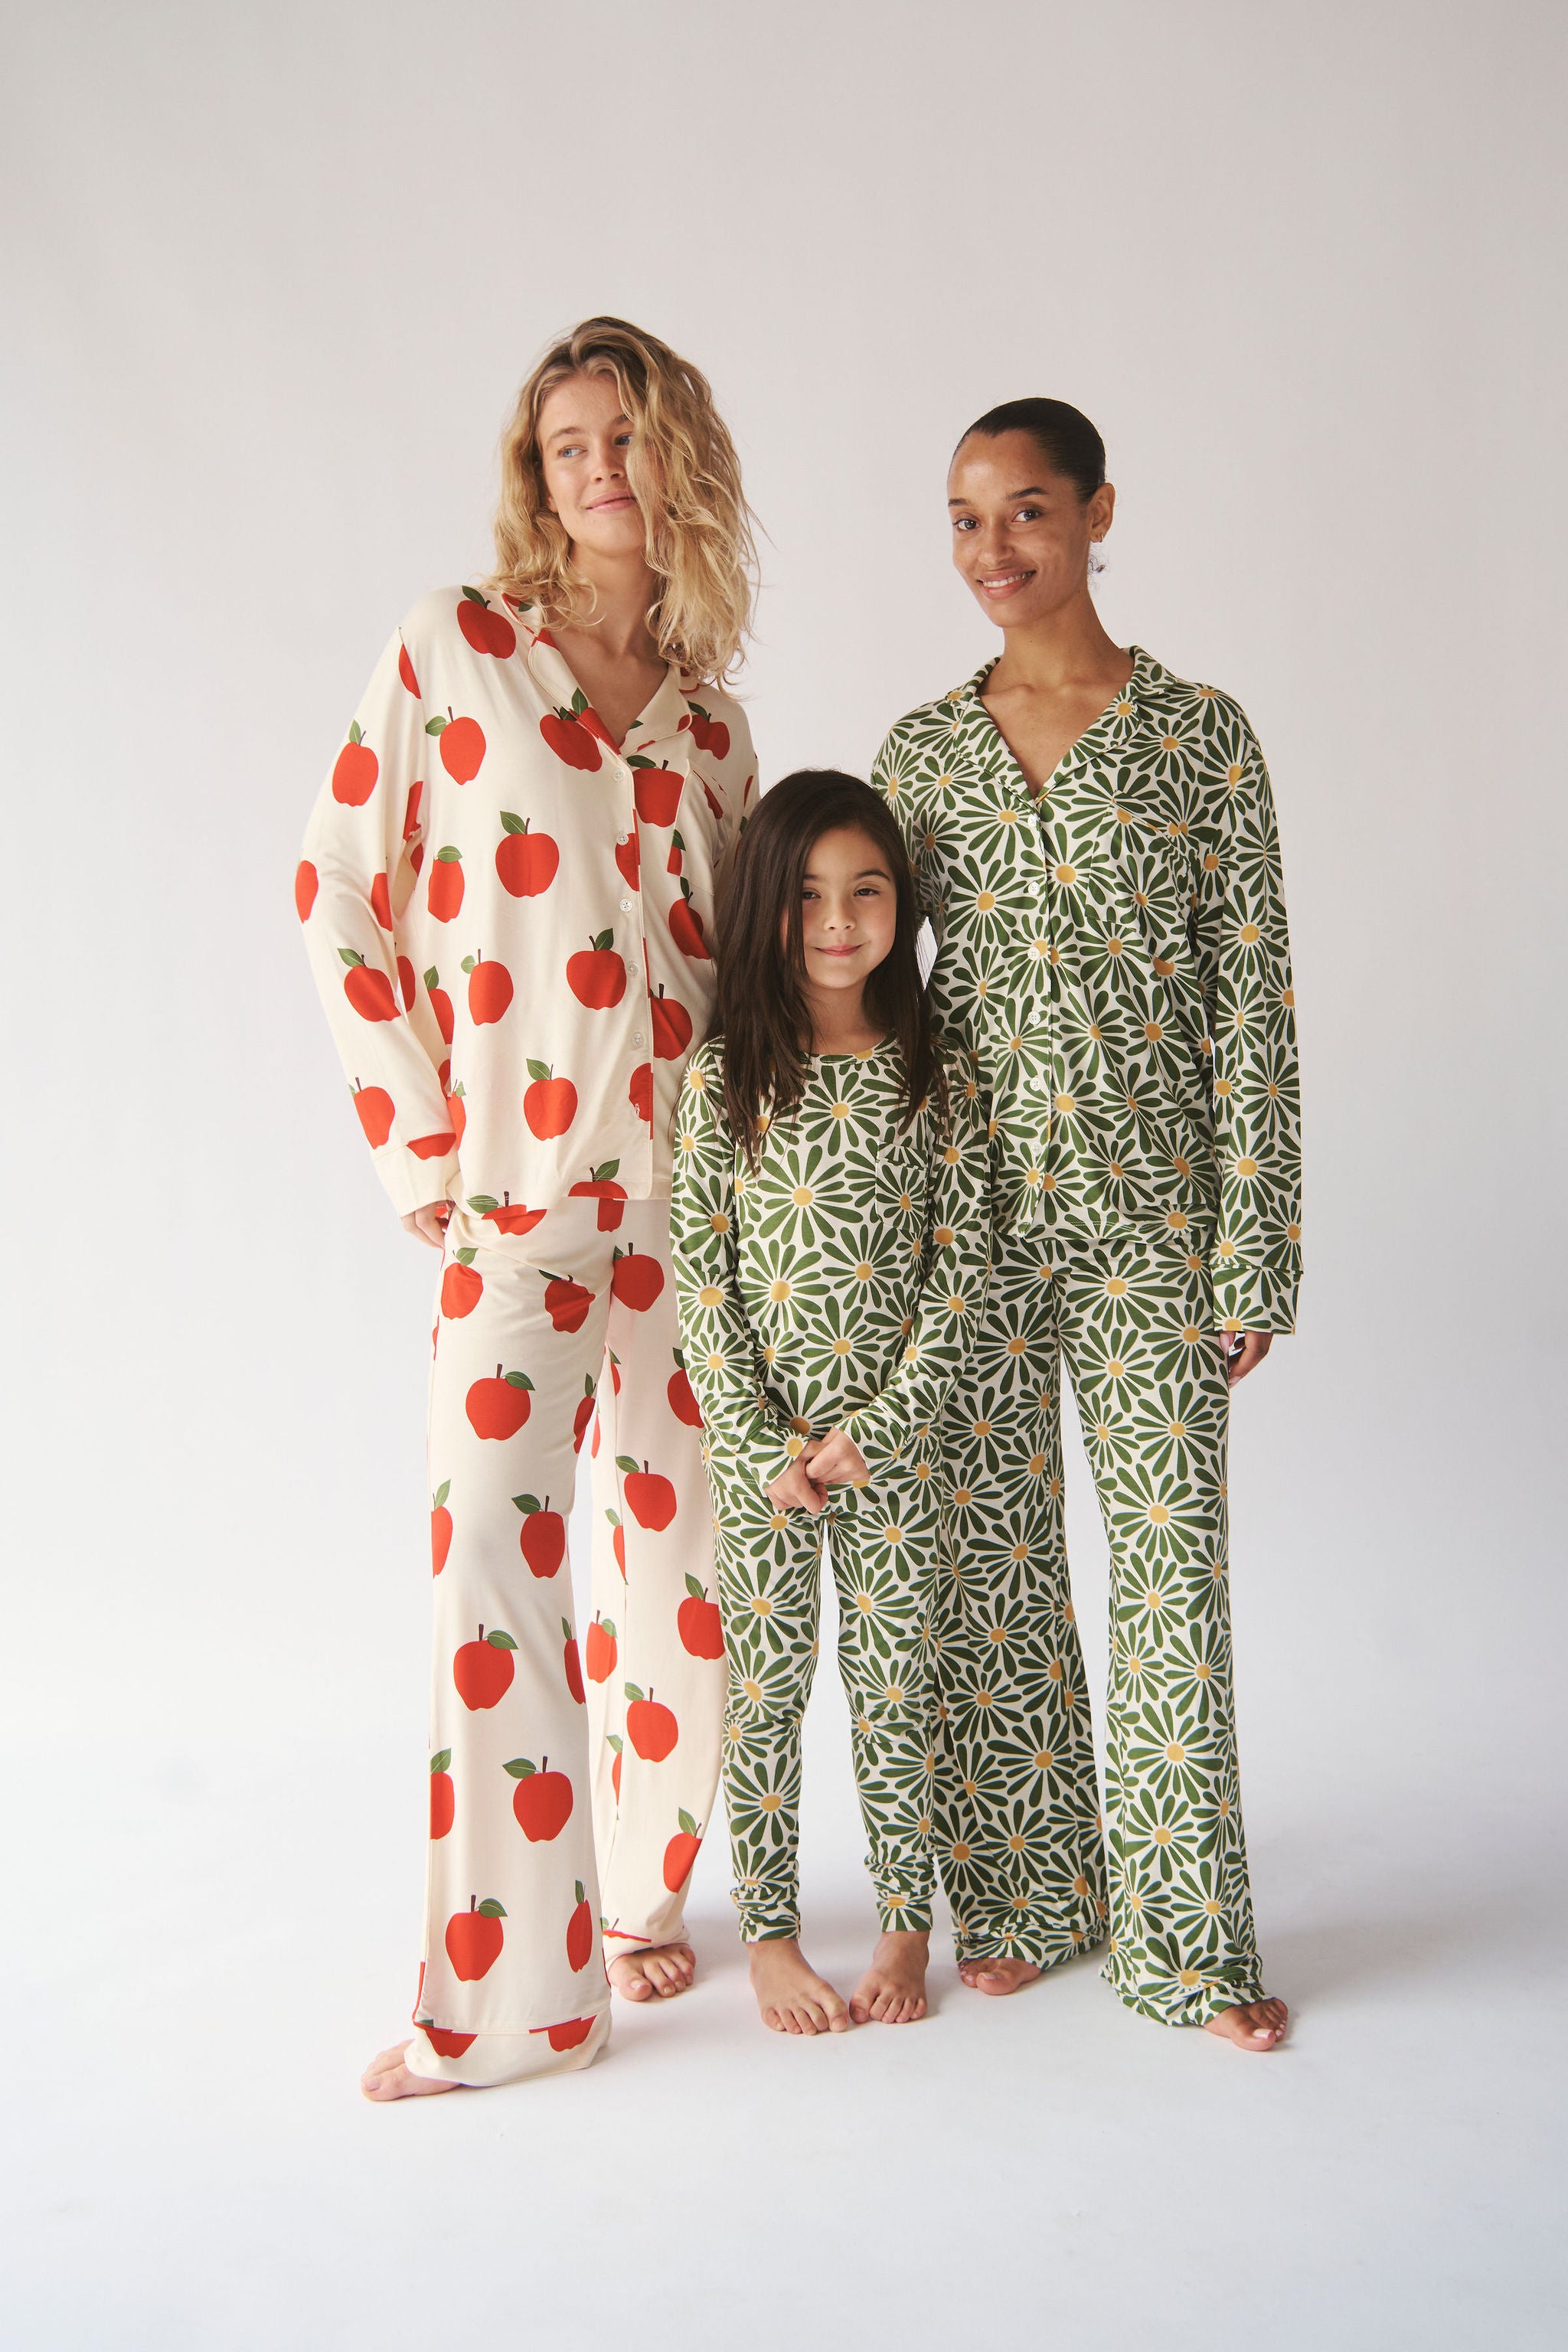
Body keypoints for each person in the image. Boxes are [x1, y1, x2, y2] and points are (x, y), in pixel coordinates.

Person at [296, 318, 759, 2096]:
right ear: (536, 476)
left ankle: (639, 1894)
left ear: (675, 459)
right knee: (494, 1558)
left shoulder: (712, 722)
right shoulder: (456, 649)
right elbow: (336, 885)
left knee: (691, 1568)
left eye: (626, 438)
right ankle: (514, 2005)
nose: (600, 470)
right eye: (570, 445)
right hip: (519, 1203)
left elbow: (736, 983)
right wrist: (422, 1150)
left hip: (691, 1211)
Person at [870, 398, 1298, 2051]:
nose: (994, 549)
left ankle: (1190, 1948)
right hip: (970, 1228)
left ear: (1099, 513)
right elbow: (879, 999)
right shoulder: (923, 755)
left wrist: (1255, 1248)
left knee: (1170, 1578)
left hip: (1158, 1231)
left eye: (1028, 511)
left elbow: (1252, 1004)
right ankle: (1034, 1898)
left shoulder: (1201, 738)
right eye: (964, 519)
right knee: (995, 1568)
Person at [670, 773, 991, 2034]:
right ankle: (768, 1935)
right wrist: (766, 1447)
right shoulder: (725, 1079)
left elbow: (960, 1269)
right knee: (766, 1697)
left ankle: (907, 1924)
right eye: (808, 895)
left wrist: (882, 1432)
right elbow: (704, 1286)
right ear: (767, 904)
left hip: (895, 1457)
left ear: (901, 905)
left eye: (866, 891)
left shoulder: (931, 1070)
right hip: (767, 1464)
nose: (840, 921)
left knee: (897, 1687)